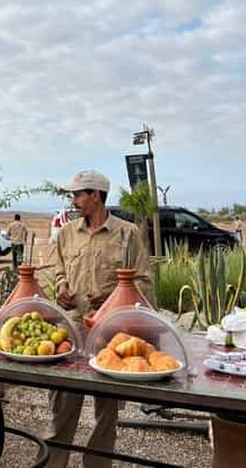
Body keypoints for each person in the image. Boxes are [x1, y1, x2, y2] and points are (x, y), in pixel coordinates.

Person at [47, 170, 150, 468]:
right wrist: (61, 286)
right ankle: (54, 463)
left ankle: (97, 464)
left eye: (78, 194)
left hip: (112, 332)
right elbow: (58, 269)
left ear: (96, 195)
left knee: (107, 409)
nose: (73, 200)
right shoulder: (66, 232)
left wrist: (111, 297)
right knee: (63, 403)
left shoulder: (128, 234)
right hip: (71, 330)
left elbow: (143, 282)